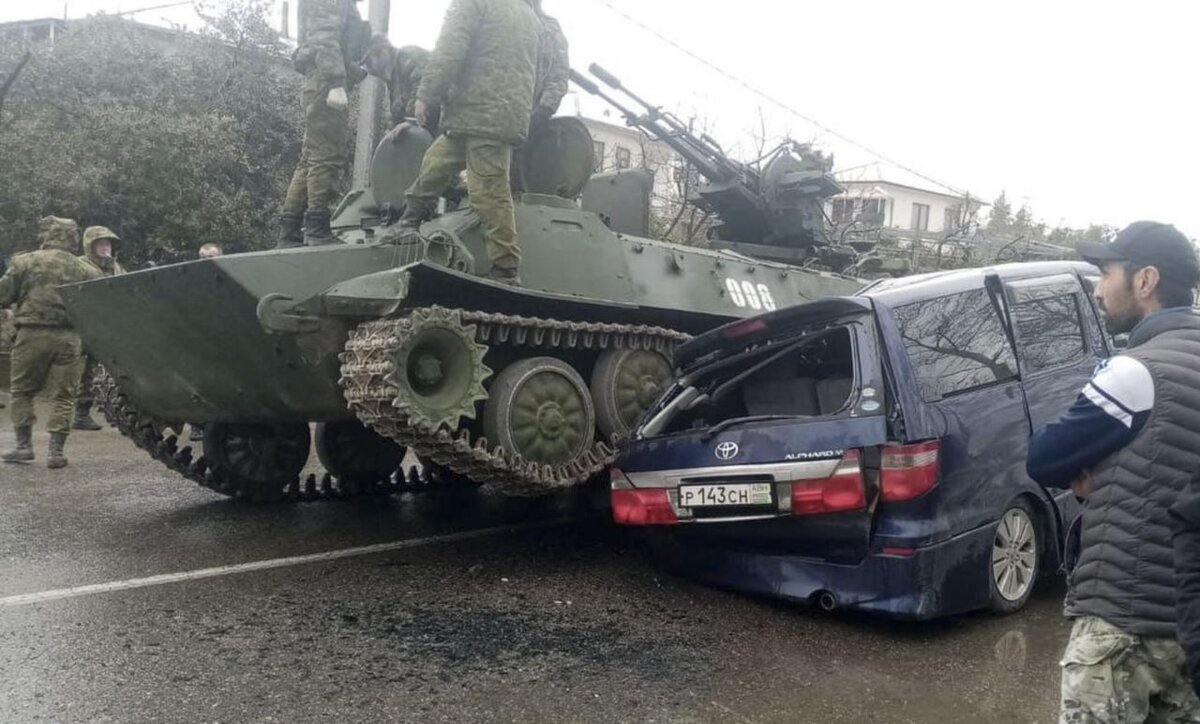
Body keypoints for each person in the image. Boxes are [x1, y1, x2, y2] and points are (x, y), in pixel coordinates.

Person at [1026, 221, 1200, 723]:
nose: (1098, 288)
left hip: (1122, 627)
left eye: (1106, 272)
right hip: (1190, 628)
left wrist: (1095, 472)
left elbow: (1044, 458)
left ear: (1145, 280)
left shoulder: (1136, 372)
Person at [397, 0, 543, 287]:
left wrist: (427, 94)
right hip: (480, 112)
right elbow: (539, 71)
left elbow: (450, 48)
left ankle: (506, 267)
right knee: (435, 162)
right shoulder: (530, 15)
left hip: (485, 113)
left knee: (488, 191)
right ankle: (408, 221)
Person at [0, 216, 102, 468]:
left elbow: (4, 293)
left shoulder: (25, 261)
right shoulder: (86, 269)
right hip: (69, 338)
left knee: (22, 390)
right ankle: (56, 452)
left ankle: (24, 446)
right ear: (73, 238)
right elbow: (97, 305)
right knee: (65, 396)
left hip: (31, 335)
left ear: (47, 235)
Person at [278, 0, 371, 249]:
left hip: (319, 81)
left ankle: (290, 232)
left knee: (310, 158)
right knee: (326, 157)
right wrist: (336, 81)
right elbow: (324, 37)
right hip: (325, 84)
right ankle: (317, 229)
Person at [72, 226, 126, 431]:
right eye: (101, 243)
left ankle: (118, 412)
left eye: (108, 243)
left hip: (110, 326)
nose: (106, 247)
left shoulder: (115, 266)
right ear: (90, 245)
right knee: (84, 372)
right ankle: (80, 413)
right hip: (86, 326)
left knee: (111, 372)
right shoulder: (79, 266)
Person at [360, 35, 433, 131]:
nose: (369, 71)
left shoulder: (407, 57)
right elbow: (399, 104)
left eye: (369, 63)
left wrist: (410, 121)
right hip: (425, 122)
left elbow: (424, 88)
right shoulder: (392, 75)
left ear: (383, 53)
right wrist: (393, 121)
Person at [532, 2, 569, 128]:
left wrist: (544, 109)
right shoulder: (495, 14)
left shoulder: (550, 28)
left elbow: (559, 74)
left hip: (530, 116)